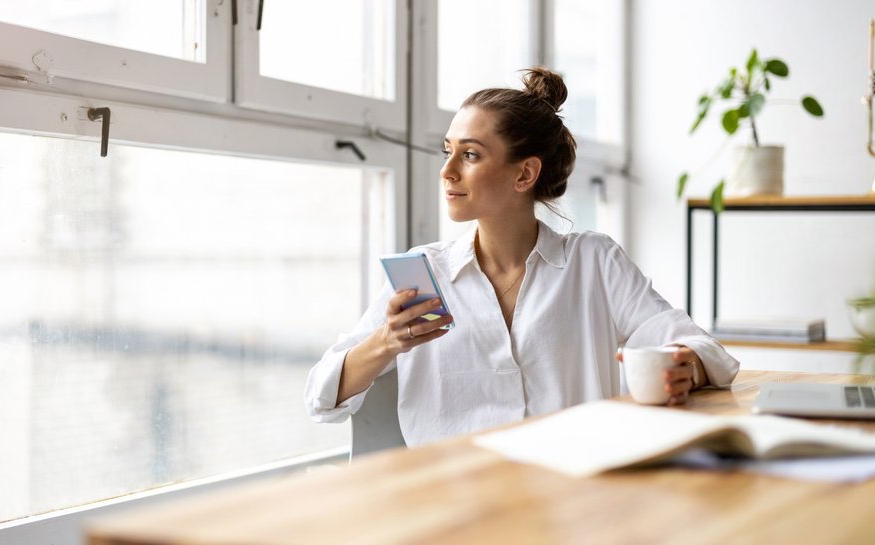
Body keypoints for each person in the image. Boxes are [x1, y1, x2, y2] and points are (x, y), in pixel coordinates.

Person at [305, 67, 740, 446]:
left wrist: (688, 367)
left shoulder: (594, 262)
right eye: (447, 150)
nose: (447, 169)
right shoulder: (425, 273)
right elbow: (321, 397)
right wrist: (386, 341)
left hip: (572, 493)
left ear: (525, 173)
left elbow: (703, 349)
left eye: (470, 154)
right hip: (456, 506)